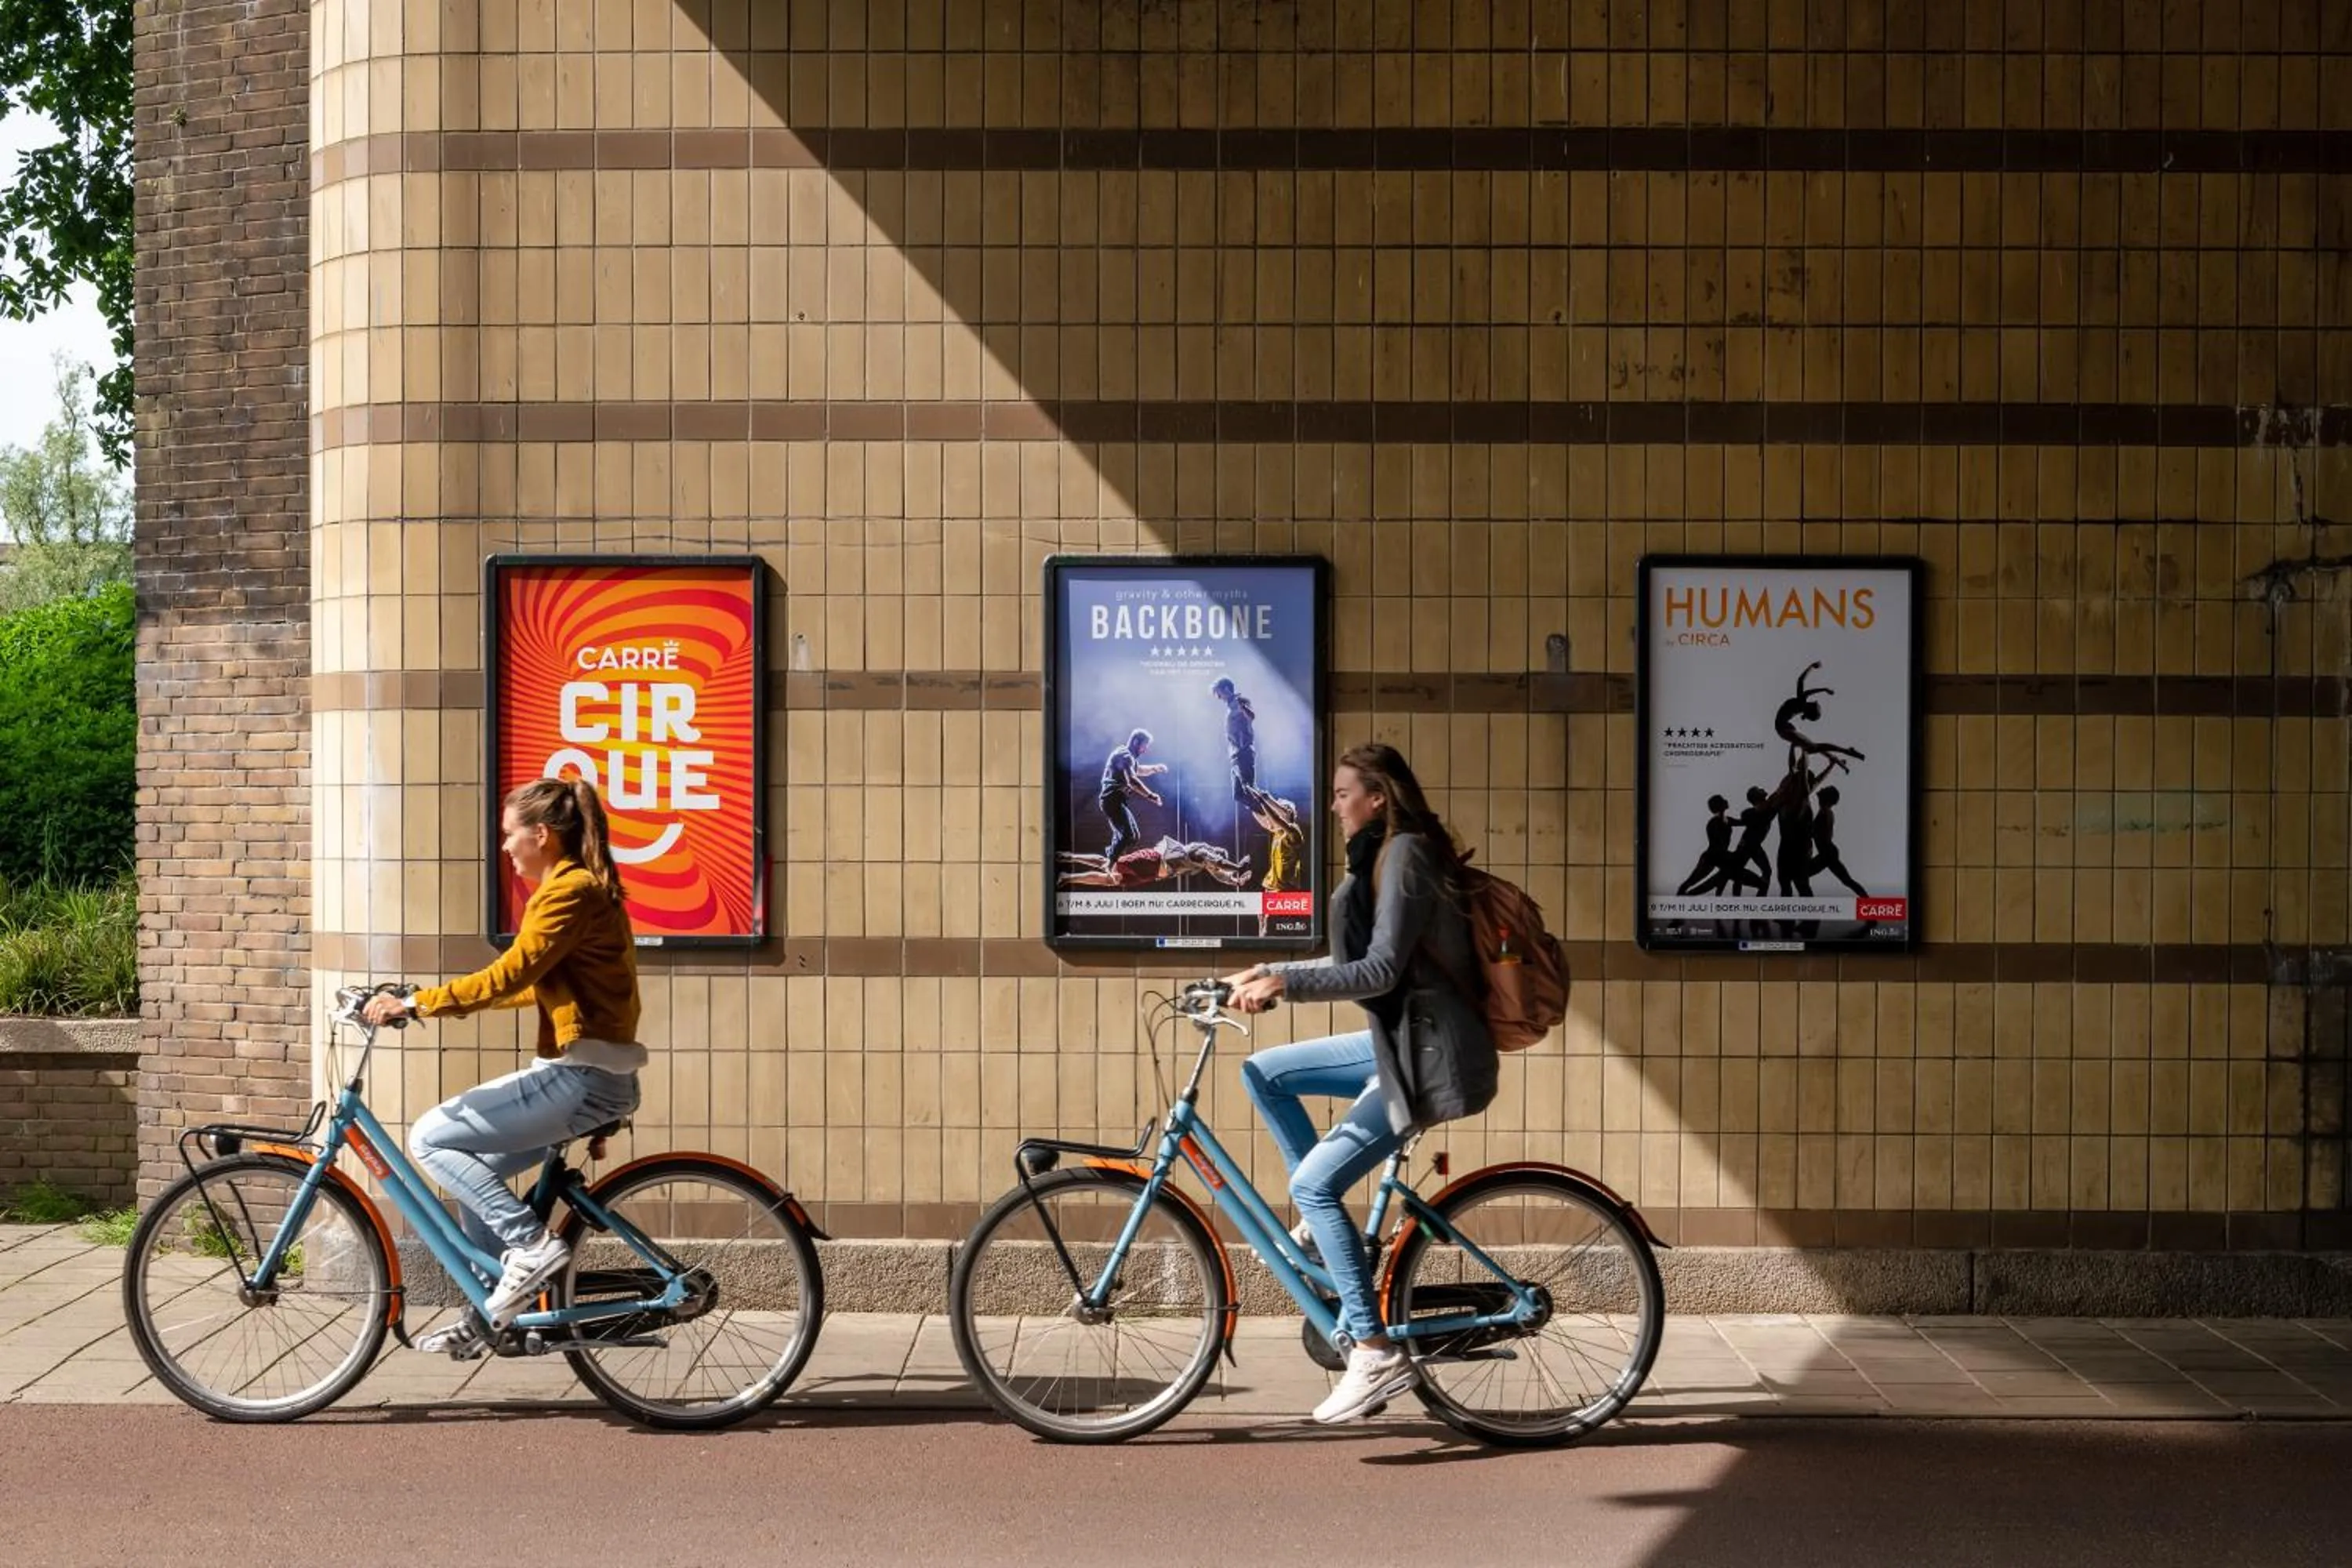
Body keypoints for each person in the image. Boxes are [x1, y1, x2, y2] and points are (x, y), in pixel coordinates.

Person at [1221, 743, 1497, 1425]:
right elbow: (1359, 962)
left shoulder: (1407, 856)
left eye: (1345, 792)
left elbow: (1377, 972)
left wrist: (1286, 984)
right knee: (1265, 1070)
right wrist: (1259, 971)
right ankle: (1322, 1237)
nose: (1335, 805)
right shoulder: (1382, 855)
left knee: (1314, 1186)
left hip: (1425, 1054)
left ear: (1378, 796)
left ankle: (1372, 1353)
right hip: (1396, 1037)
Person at [361, 777, 647, 1359]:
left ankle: (531, 1247)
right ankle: (499, 1316)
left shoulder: (570, 892)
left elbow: (512, 974)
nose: (506, 848)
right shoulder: (577, 890)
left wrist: (417, 1004)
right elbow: (530, 986)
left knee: (432, 1136)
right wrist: (427, 999)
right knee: (477, 1169)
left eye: (510, 835)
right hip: (591, 1075)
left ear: (541, 834)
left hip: (582, 1075)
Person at [1055, 836, 1253, 890]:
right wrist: (1237, 867)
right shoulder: (1201, 851)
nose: (1214, 868)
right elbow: (1218, 863)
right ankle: (1070, 857)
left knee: (1112, 880)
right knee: (1111, 864)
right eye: (1216, 863)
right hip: (1153, 859)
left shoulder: (1205, 865)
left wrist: (1235, 881)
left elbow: (1219, 873)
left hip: (1151, 874)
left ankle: (1068, 878)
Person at [1243, 783, 1307, 936]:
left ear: (1289, 812)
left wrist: (1264, 801)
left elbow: (1277, 819)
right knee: (1262, 921)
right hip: (1272, 886)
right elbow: (1266, 819)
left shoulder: (1294, 832)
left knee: (1271, 927)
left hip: (1285, 889)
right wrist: (1251, 803)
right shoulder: (1278, 833)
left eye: (1281, 808)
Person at [1097, 728, 1167, 863]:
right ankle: (1110, 863)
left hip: (1116, 801)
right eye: (1144, 746)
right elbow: (1133, 781)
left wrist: (1155, 768)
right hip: (1111, 800)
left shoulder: (1128, 757)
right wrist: (1151, 796)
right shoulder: (1124, 756)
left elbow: (1139, 770)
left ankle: (1110, 857)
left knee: (1133, 836)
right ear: (1136, 742)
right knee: (1129, 835)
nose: (1145, 750)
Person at [1805, 784, 1869, 898]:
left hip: (1827, 853)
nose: (1820, 791)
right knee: (1847, 881)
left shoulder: (1825, 813)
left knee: (1802, 875)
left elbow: (1817, 833)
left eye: (1824, 791)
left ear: (1827, 798)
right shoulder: (1825, 812)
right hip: (1828, 852)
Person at [1211, 677, 1258, 801]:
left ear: (1226, 689)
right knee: (1238, 795)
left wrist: (1244, 708)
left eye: (1218, 693)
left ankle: (1274, 812)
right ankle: (1264, 808)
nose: (1218, 697)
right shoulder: (1230, 707)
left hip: (1244, 752)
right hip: (1235, 755)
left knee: (1250, 791)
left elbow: (1251, 716)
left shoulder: (1240, 701)